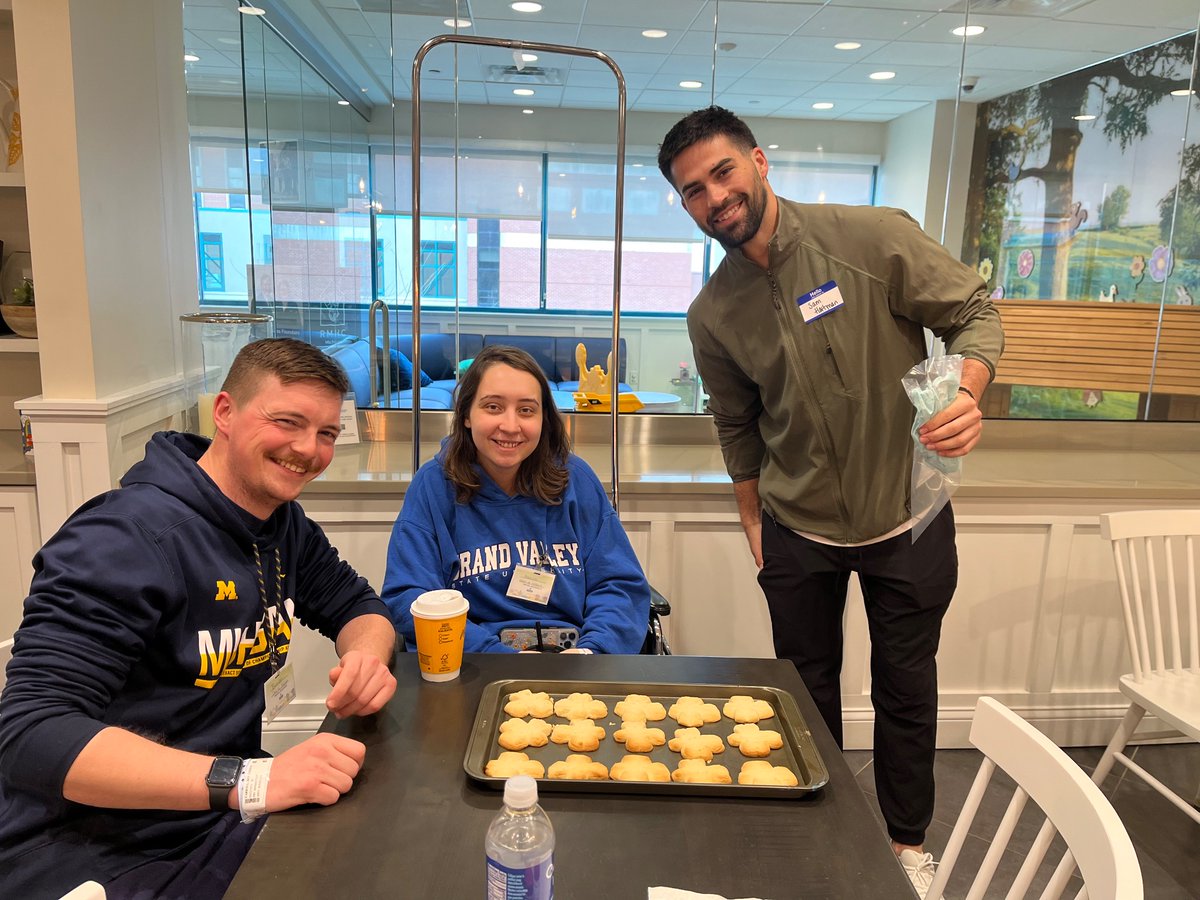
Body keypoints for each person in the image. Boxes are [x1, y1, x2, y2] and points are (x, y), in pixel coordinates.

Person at [658, 107, 1003, 896]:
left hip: (906, 516)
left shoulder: (873, 237)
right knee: (803, 699)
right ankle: (818, 841)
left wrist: (971, 390)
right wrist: (751, 514)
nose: (714, 197)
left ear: (759, 162)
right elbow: (737, 424)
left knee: (905, 691)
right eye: (692, 191)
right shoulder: (712, 313)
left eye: (722, 172)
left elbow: (976, 312)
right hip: (797, 528)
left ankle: (907, 846)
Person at [0, 338, 398, 900]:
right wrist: (253, 779)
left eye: (327, 433)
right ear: (225, 413)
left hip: (217, 816)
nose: (309, 450)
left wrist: (365, 657)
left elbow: (360, 607)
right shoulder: (124, 537)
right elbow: (32, 735)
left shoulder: (282, 522)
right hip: (97, 842)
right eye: (288, 421)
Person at [383, 345, 649, 654]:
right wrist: (500, 658)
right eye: (493, 407)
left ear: (544, 419)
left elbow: (620, 587)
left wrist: (593, 652)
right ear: (467, 414)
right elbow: (408, 597)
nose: (510, 426)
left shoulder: (576, 480)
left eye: (526, 410)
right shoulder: (434, 485)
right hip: (476, 664)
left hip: (574, 661)